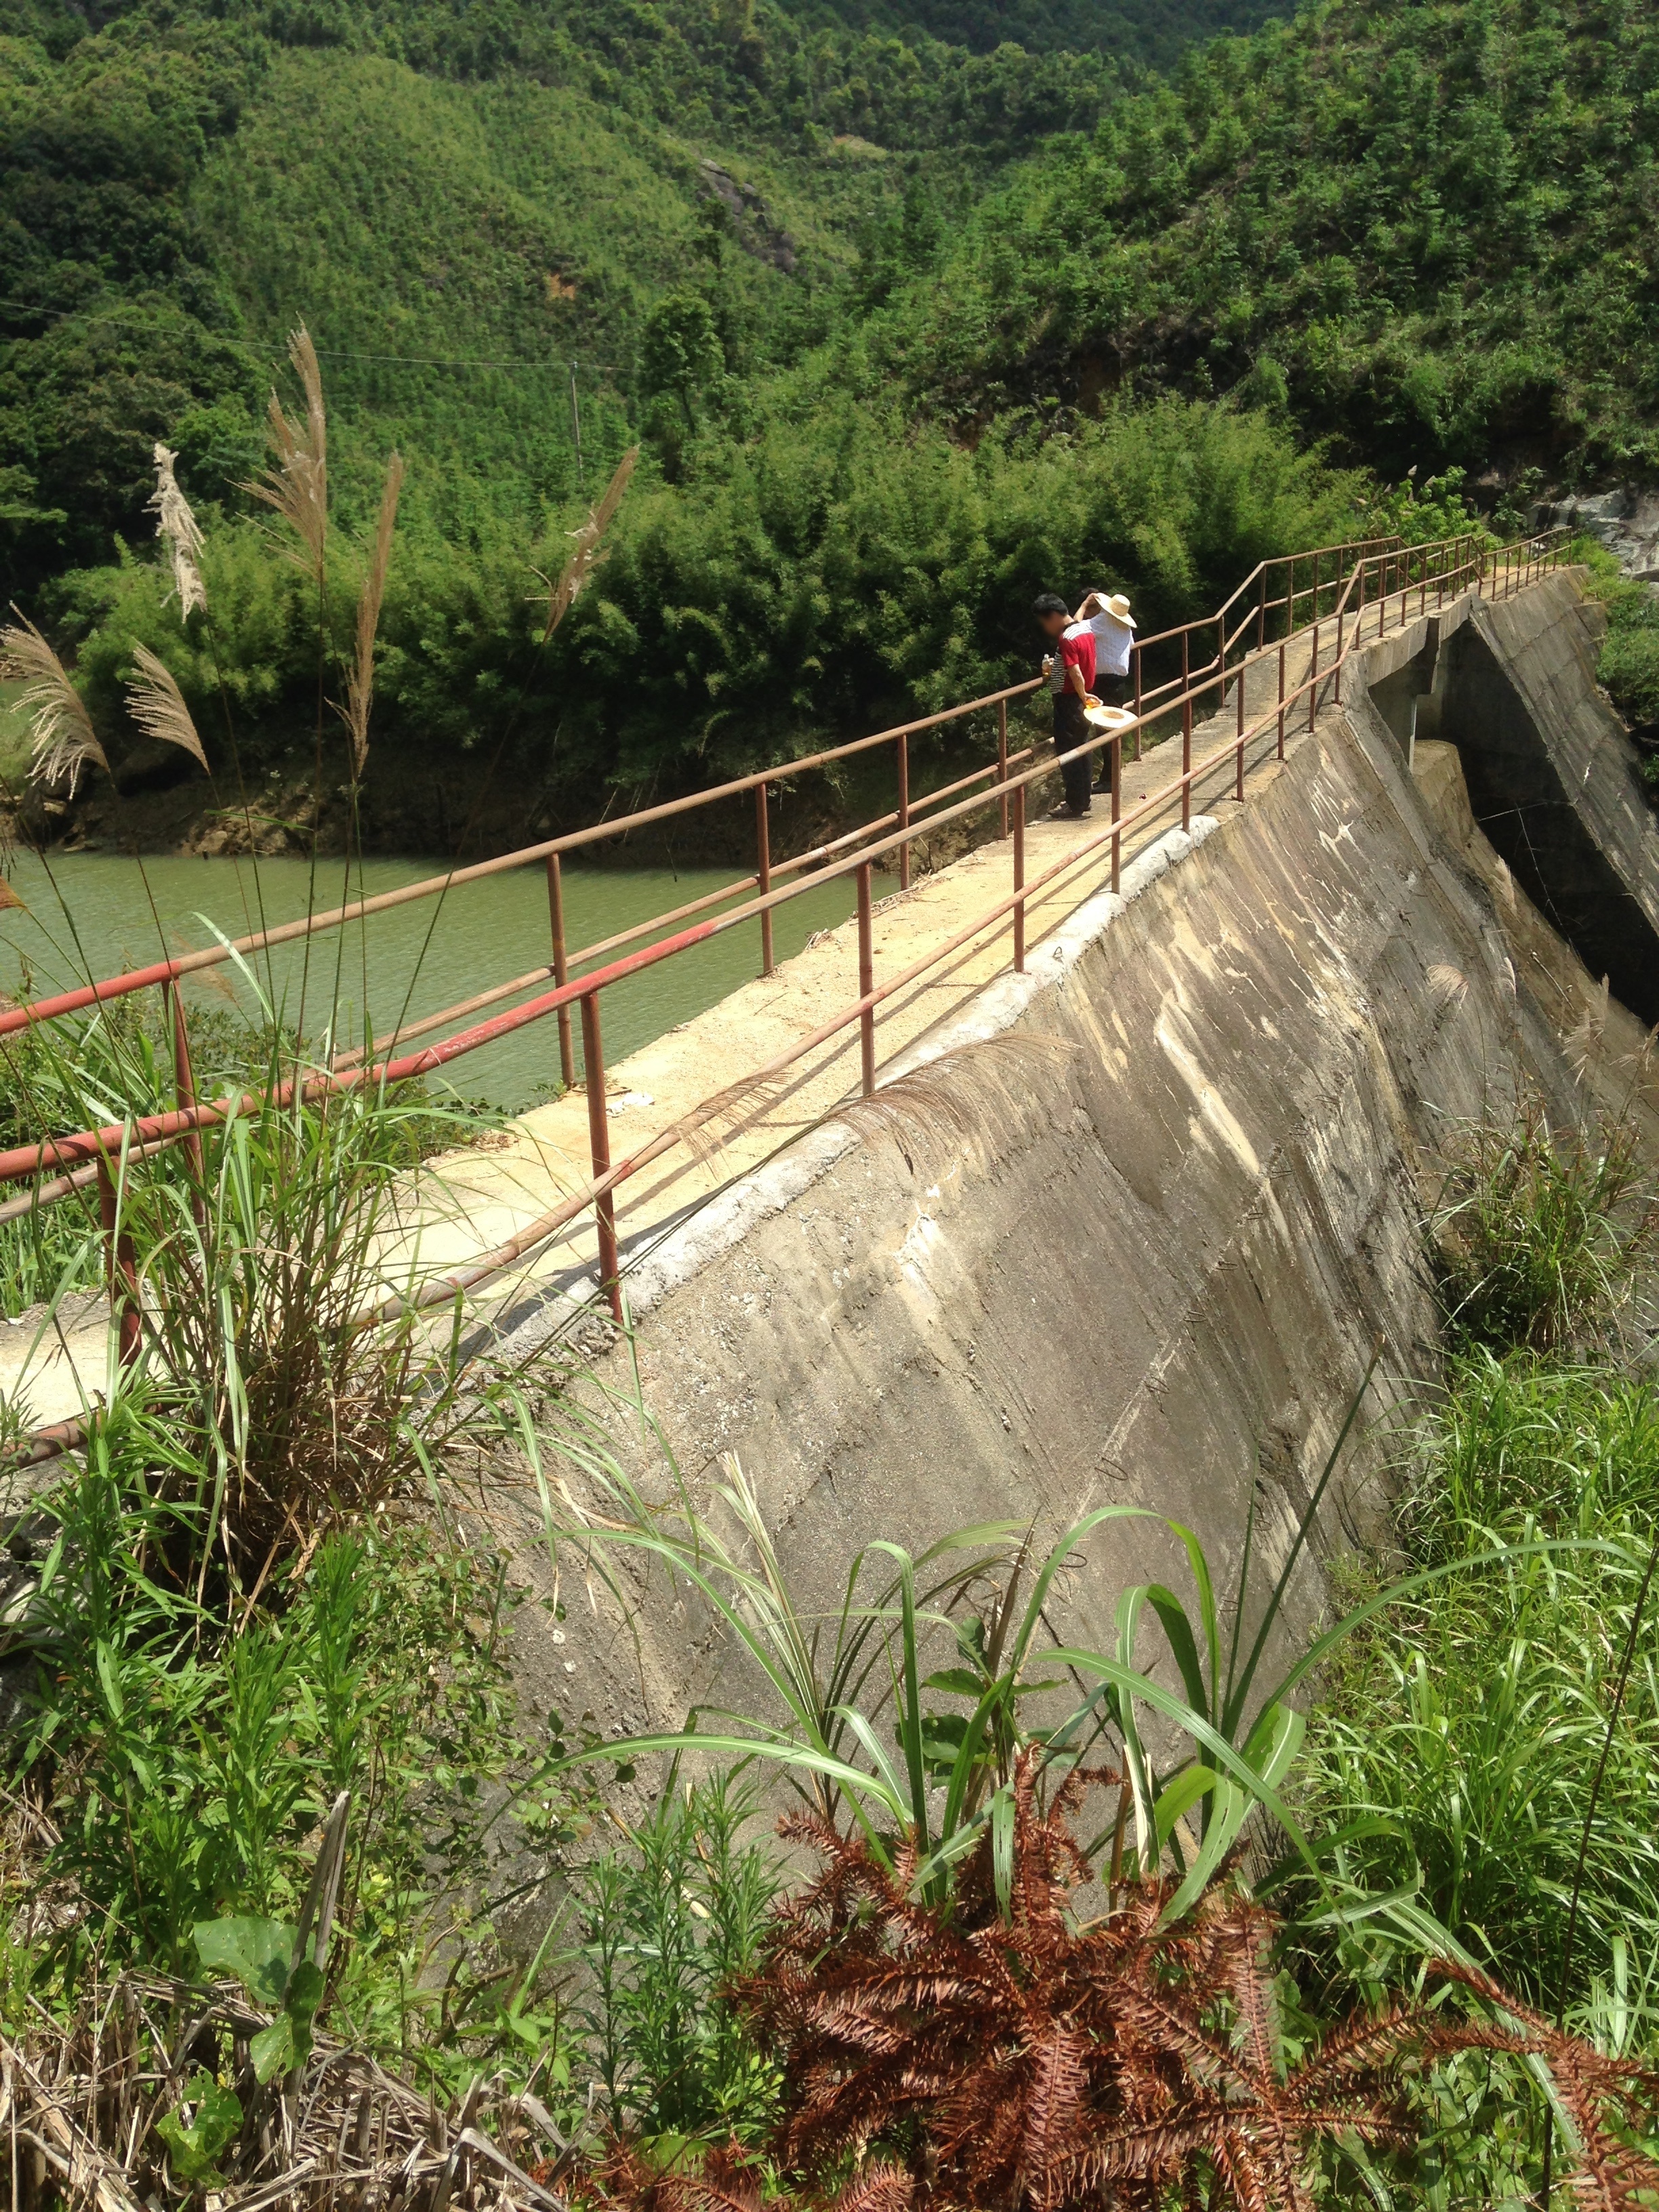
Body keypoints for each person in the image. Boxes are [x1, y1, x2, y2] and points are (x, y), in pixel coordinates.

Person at [1033, 592, 1095, 817]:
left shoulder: (1066, 638)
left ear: (1053, 617)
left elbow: (1075, 671)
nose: (1045, 628)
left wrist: (1083, 694)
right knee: (1083, 748)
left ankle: (1074, 804)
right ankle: (1084, 798)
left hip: (1069, 700)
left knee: (1068, 753)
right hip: (1080, 700)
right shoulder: (1084, 630)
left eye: (1044, 622)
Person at [1077, 589, 1136, 794]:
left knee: (1105, 731)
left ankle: (1109, 781)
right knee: (1109, 730)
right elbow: (1130, 646)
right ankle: (1108, 777)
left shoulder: (1102, 621)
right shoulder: (1125, 626)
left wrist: (1084, 605)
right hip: (1119, 681)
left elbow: (1073, 629)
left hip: (1104, 682)